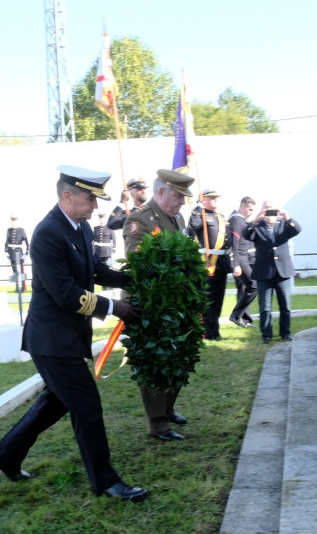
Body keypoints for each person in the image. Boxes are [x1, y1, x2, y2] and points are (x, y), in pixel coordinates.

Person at [0, 165, 148, 502]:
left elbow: (97, 270)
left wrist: (136, 279)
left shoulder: (82, 227)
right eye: (91, 198)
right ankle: (105, 479)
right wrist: (118, 308)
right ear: (68, 196)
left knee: (56, 402)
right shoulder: (48, 233)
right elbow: (65, 293)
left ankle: (5, 455)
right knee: (86, 404)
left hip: (69, 336)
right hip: (51, 339)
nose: (95, 205)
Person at [122, 169, 194, 441]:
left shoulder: (177, 217)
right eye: (178, 196)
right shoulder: (140, 219)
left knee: (178, 357)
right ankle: (158, 424)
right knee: (154, 362)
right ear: (161, 192)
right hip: (147, 302)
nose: (181, 202)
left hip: (174, 300)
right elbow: (138, 262)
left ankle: (168, 407)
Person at [245, 201, 302, 344]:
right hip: (264, 273)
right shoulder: (257, 226)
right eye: (266, 209)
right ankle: (266, 335)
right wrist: (255, 220)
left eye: (271, 209)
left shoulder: (284, 225)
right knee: (265, 307)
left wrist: (287, 217)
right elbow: (245, 234)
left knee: (286, 306)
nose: (269, 212)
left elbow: (297, 230)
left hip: (283, 272)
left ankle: (285, 333)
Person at [188, 188, 231, 341]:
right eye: (211, 198)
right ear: (203, 199)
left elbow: (227, 241)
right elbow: (193, 225)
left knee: (218, 300)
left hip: (221, 264)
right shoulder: (200, 215)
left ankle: (215, 330)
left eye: (216, 198)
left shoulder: (222, 217)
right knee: (208, 301)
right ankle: (207, 332)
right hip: (207, 264)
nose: (215, 200)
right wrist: (199, 208)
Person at [228, 196, 257, 328]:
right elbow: (235, 243)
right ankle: (236, 315)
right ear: (242, 206)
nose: (250, 212)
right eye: (249, 209)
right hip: (240, 260)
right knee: (253, 285)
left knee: (249, 287)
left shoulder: (240, 220)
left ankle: (241, 317)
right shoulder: (236, 220)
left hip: (244, 259)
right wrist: (236, 264)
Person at [4, 215, 29, 291]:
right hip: (11, 253)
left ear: (17, 221)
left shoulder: (21, 230)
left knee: (20, 271)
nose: (13, 222)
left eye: (14, 220)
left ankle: (21, 287)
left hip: (19, 253)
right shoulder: (9, 231)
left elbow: (27, 243)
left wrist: (26, 253)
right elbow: (7, 242)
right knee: (14, 271)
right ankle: (17, 287)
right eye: (12, 220)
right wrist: (6, 251)